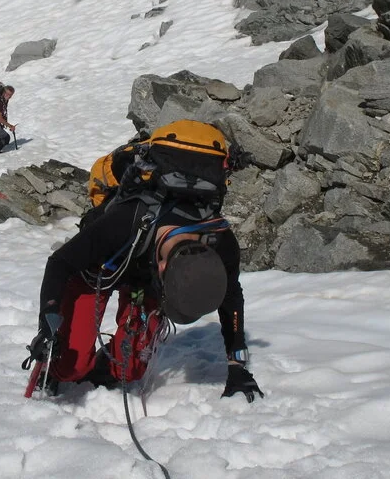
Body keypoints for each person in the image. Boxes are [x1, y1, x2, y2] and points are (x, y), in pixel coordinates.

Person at [25, 121, 262, 402]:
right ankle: (57, 369)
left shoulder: (219, 240)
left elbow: (230, 297)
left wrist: (237, 366)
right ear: (162, 270)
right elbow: (60, 263)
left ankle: (103, 370)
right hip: (100, 269)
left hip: (142, 277)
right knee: (70, 366)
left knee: (131, 370)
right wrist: (48, 320)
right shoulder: (126, 221)